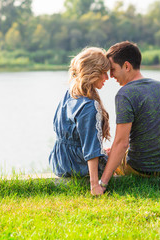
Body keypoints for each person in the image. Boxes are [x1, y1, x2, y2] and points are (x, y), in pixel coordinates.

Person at [98, 41, 160, 191]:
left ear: (126, 66)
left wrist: (103, 183)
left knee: (102, 156)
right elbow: (153, 129)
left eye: (113, 70)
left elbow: (121, 143)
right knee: (113, 151)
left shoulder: (125, 94)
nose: (111, 76)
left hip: (142, 169)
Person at [49, 47, 111, 195]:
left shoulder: (71, 93)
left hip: (58, 161)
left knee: (109, 152)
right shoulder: (89, 106)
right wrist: (95, 185)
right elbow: (91, 148)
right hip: (76, 165)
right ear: (93, 72)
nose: (107, 78)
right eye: (103, 73)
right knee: (122, 155)